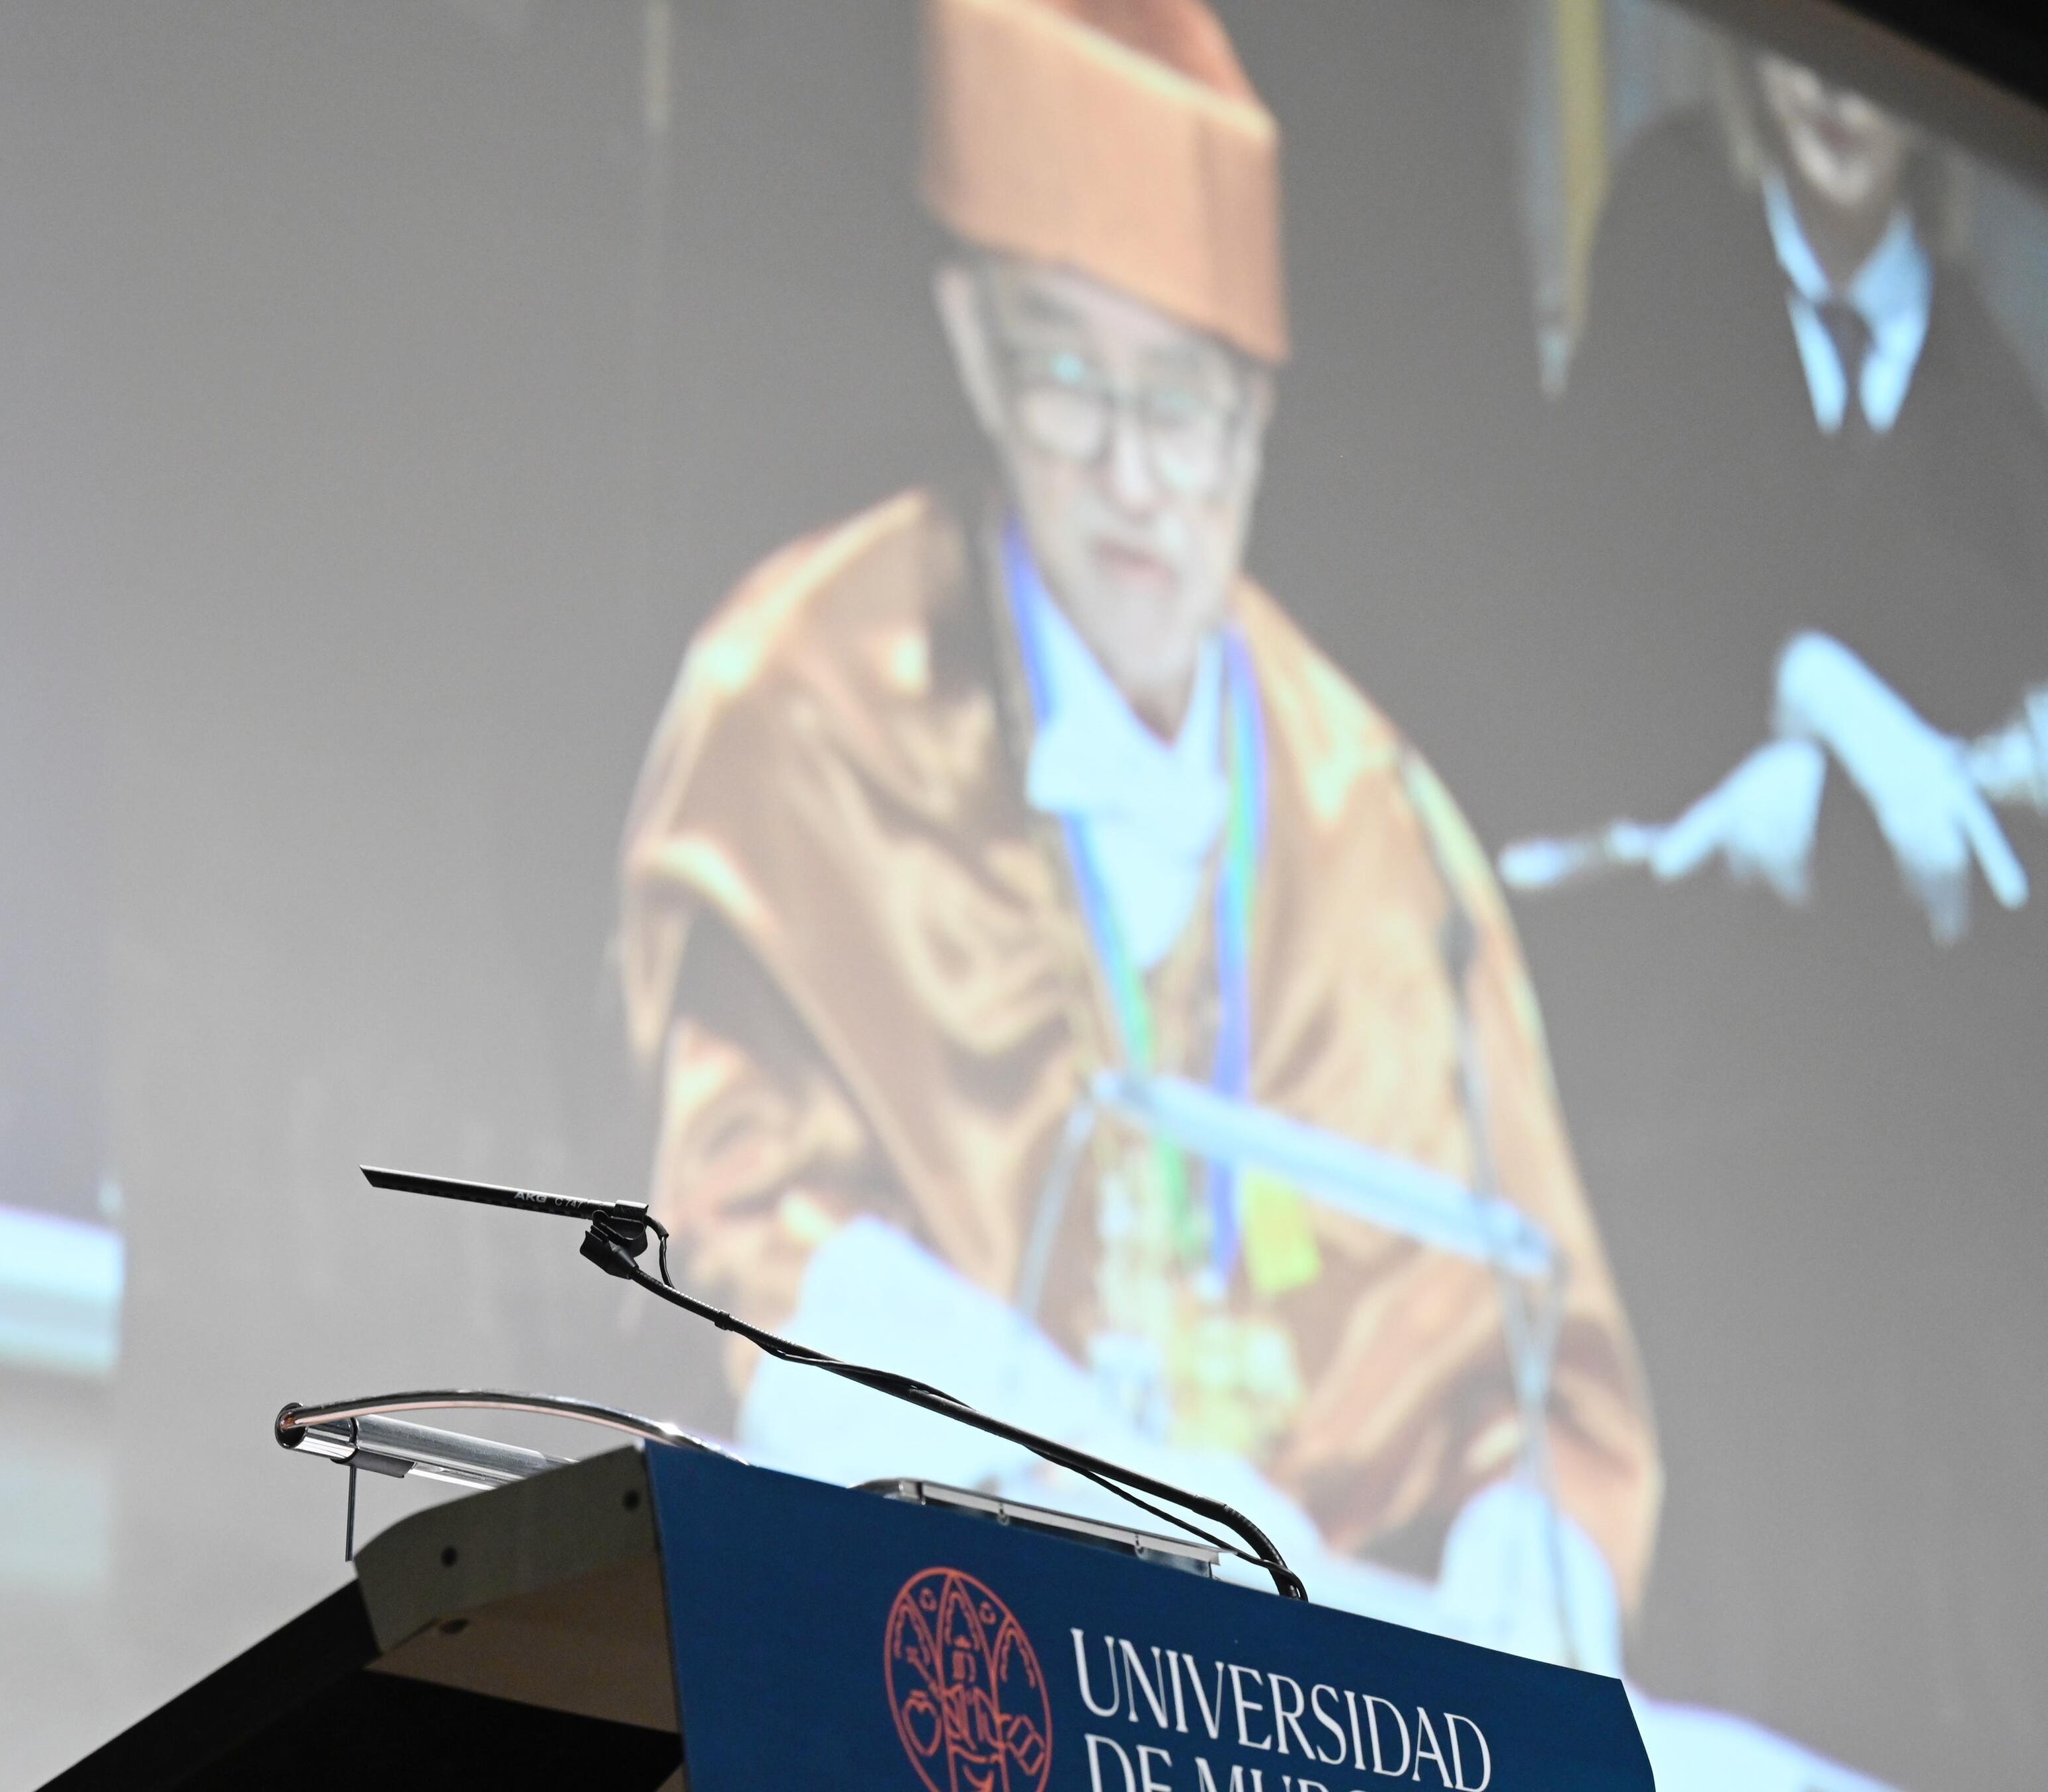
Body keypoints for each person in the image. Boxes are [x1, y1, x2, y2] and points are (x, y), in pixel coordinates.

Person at [616, 0, 1660, 1655]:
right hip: (923, 1646)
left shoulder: (1380, 825)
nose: (1133, 477)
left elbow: (1540, 1398)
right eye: (1067, 380)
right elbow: (740, 1242)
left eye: (1182, 404)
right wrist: (1114, 1489)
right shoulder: (800, 698)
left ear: (1257, 408)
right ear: (972, 346)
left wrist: (1526, 1587)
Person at [1533, 44, 2048, 941]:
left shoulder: (1995, 406)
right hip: (1657, 956)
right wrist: (1813, 688)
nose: (1837, 80)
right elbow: (1583, 601)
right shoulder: (1669, 222)